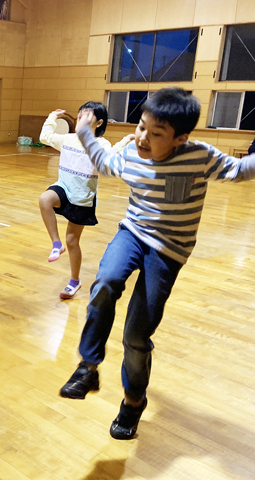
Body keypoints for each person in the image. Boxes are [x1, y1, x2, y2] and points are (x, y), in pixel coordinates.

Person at [59, 87, 255, 440]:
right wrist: (85, 132)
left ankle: (133, 402)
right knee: (105, 281)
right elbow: (104, 163)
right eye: (140, 127)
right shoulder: (132, 153)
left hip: (170, 248)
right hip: (133, 232)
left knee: (137, 333)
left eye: (156, 133)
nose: (142, 138)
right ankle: (88, 366)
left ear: (181, 138)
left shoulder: (200, 156)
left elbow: (240, 170)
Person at [39, 103, 132, 299]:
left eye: (87, 115)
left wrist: (125, 140)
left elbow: (110, 157)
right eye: (80, 114)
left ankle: (74, 281)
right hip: (63, 188)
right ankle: (56, 244)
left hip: (83, 197)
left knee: (72, 241)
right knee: (45, 199)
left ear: (98, 122)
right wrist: (52, 117)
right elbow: (44, 137)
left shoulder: (101, 144)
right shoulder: (68, 139)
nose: (81, 117)